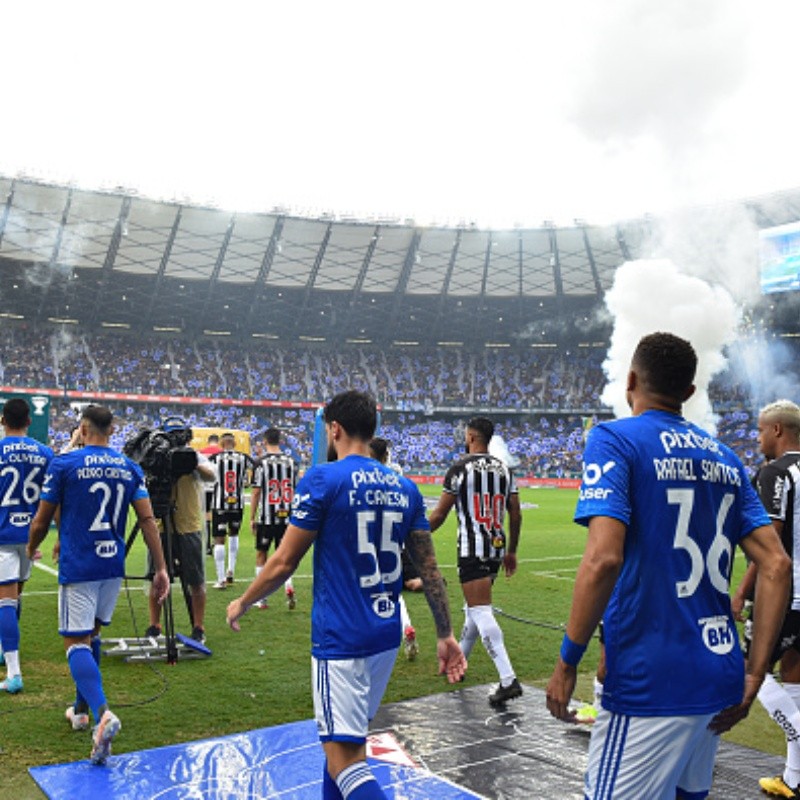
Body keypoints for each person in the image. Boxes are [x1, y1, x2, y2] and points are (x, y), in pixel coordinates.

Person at [545, 332, 791, 799]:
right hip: (719, 675)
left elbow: (603, 559)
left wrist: (567, 660)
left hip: (649, 677)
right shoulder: (726, 458)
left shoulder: (613, 439)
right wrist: (755, 672)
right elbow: (778, 564)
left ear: (631, 379)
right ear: (689, 393)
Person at [227, 390, 466, 800]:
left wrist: (243, 600)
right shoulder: (404, 487)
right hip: (384, 636)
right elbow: (428, 568)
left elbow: (284, 562)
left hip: (340, 639)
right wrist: (444, 634)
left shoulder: (323, 478)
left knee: (345, 761)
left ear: (334, 429)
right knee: (341, 748)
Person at [27, 405, 170, 765]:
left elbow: (42, 519)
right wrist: (162, 568)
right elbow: (148, 519)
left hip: (80, 564)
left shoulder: (65, 463)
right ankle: (80, 711)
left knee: (74, 642)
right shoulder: (130, 467)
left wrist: (32, 548)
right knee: (90, 635)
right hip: (112, 564)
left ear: (82, 427)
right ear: (113, 429)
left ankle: (103, 713)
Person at [731, 399, 800, 798]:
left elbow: (768, 544)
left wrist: (741, 593)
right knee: (794, 676)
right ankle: (793, 777)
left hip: (783, 596)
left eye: (760, 430)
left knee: (747, 673)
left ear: (777, 430)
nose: (757, 438)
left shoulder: (775, 473)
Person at [428, 416, 522, 705]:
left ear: (470, 436)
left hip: (472, 547)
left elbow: (441, 514)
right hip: (496, 546)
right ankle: (461, 663)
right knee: (473, 610)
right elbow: (516, 514)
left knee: (481, 610)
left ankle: (508, 679)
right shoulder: (506, 470)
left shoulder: (459, 468)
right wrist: (511, 551)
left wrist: (416, 534)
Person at [145, 417, 215, 644]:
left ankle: (199, 626)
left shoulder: (194, 455)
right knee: (157, 576)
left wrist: (192, 463)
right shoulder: (157, 455)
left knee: (195, 578)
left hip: (189, 524)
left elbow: (212, 476)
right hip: (161, 525)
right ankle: (155, 624)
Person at [0, 398, 53, 693]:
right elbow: (52, 496)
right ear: (29, 421)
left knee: (5, 601)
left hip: (3, 534)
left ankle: (14, 674)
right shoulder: (44, 453)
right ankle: (4, 649)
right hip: (31, 536)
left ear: (2, 420)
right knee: (14, 597)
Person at [368, 436, 419, 660]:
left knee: (367, 588)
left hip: (370, 538)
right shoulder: (397, 474)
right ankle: (405, 625)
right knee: (393, 590)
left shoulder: (366, 475)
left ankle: (375, 636)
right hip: (395, 538)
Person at [250, 428, 297, 609]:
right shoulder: (292, 462)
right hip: (286, 517)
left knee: (262, 553)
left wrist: (252, 517)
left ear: (264, 441)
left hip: (267, 517)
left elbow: (256, 492)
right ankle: (289, 586)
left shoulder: (261, 463)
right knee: (285, 556)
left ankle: (261, 598)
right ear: (280, 441)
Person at [209, 432, 252, 589]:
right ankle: (231, 571)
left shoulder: (214, 459)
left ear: (221, 444)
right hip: (238, 505)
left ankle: (221, 580)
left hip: (220, 504)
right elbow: (253, 473)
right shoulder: (244, 458)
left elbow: (208, 478)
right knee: (234, 534)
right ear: (234, 443)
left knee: (219, 539)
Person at [200, 433, 222, 555]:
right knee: (217, 515)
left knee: (206, 515)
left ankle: (207, 545)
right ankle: (216, 541)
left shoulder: (202, 452)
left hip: (204, 487)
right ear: (217, 441)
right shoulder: (222, 452)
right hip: (217, 487)